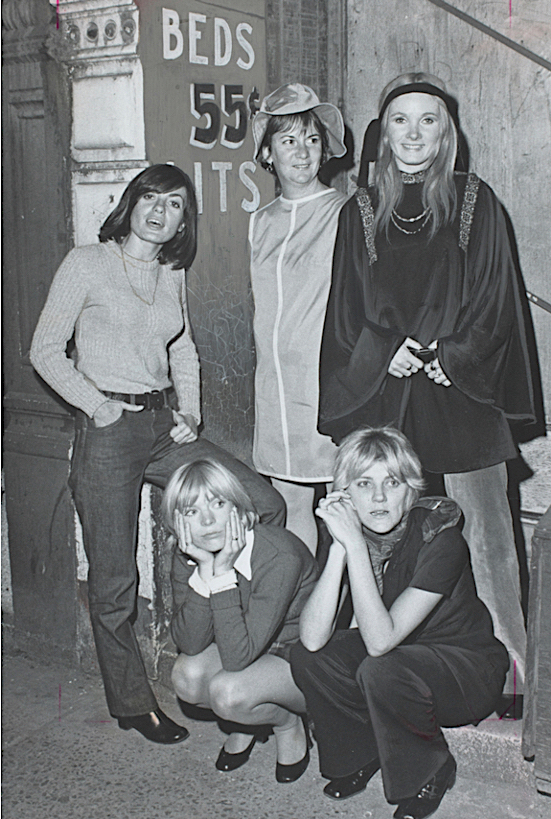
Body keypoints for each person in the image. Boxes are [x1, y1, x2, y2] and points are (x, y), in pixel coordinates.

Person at [30, 164, 285, 744]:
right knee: (115, 580)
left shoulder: (171, 272)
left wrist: (189, 413)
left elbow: (184, 349)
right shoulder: (86, 263)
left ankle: (240, 645)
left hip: (163, 426)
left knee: (262, 503)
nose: (159, 211)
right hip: (108, 431)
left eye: (174, 205)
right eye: (151, 197)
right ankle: (131, 702)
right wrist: (96, 406)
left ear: (181, 223)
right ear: (131, 202)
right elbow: (44, 350)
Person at [318, 72, 536, 706]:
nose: (414, 134)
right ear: (384, 134)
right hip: (389, 394)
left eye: (428, 120)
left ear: (448, 132)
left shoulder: (476, 201)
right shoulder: (360, 210)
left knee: (489, 540)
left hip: (460, 391)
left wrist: (453, 355)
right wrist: (388, 353)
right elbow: (344, 312)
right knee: (381, 535)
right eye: (400, 121)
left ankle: (512, 675)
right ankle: (376, 676)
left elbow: (498, 298)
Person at [291, 426, 509, 819]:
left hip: (464, 670)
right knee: (312, 659)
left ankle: (431, 768)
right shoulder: (355, 535)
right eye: (363, 483)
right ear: (344, 494)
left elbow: (379, 642)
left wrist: (354, 545)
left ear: (412, 490)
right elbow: (310, 640)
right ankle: (358, 754)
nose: (377, 497)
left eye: (391, 483)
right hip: (401, 660)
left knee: (381, 666)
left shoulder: (441, 539)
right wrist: (342, 547)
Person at [166, 458, 317, 781]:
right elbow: (190, 643)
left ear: (239, 508)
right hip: (245, 643)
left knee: (228, 692)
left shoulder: (278, 555)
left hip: (297, 657)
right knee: (186, 676)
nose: (207, 521)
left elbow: (235, 659)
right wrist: (205, 569)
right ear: (178, 523)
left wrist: (221, 575)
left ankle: (287, 723)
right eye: (191, 512)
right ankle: (247, 721)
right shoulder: (190, 553)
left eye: (218, 504)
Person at [249, 83, 348, 553]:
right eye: (288, 140)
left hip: (328, 385)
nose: (302, 152)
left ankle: (353, 618)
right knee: (291, 505)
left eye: (312, 140)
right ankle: (307, 622)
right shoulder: (260, 220)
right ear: (267, 153)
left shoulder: (344, 212)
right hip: (276, 390)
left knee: (346, 508)